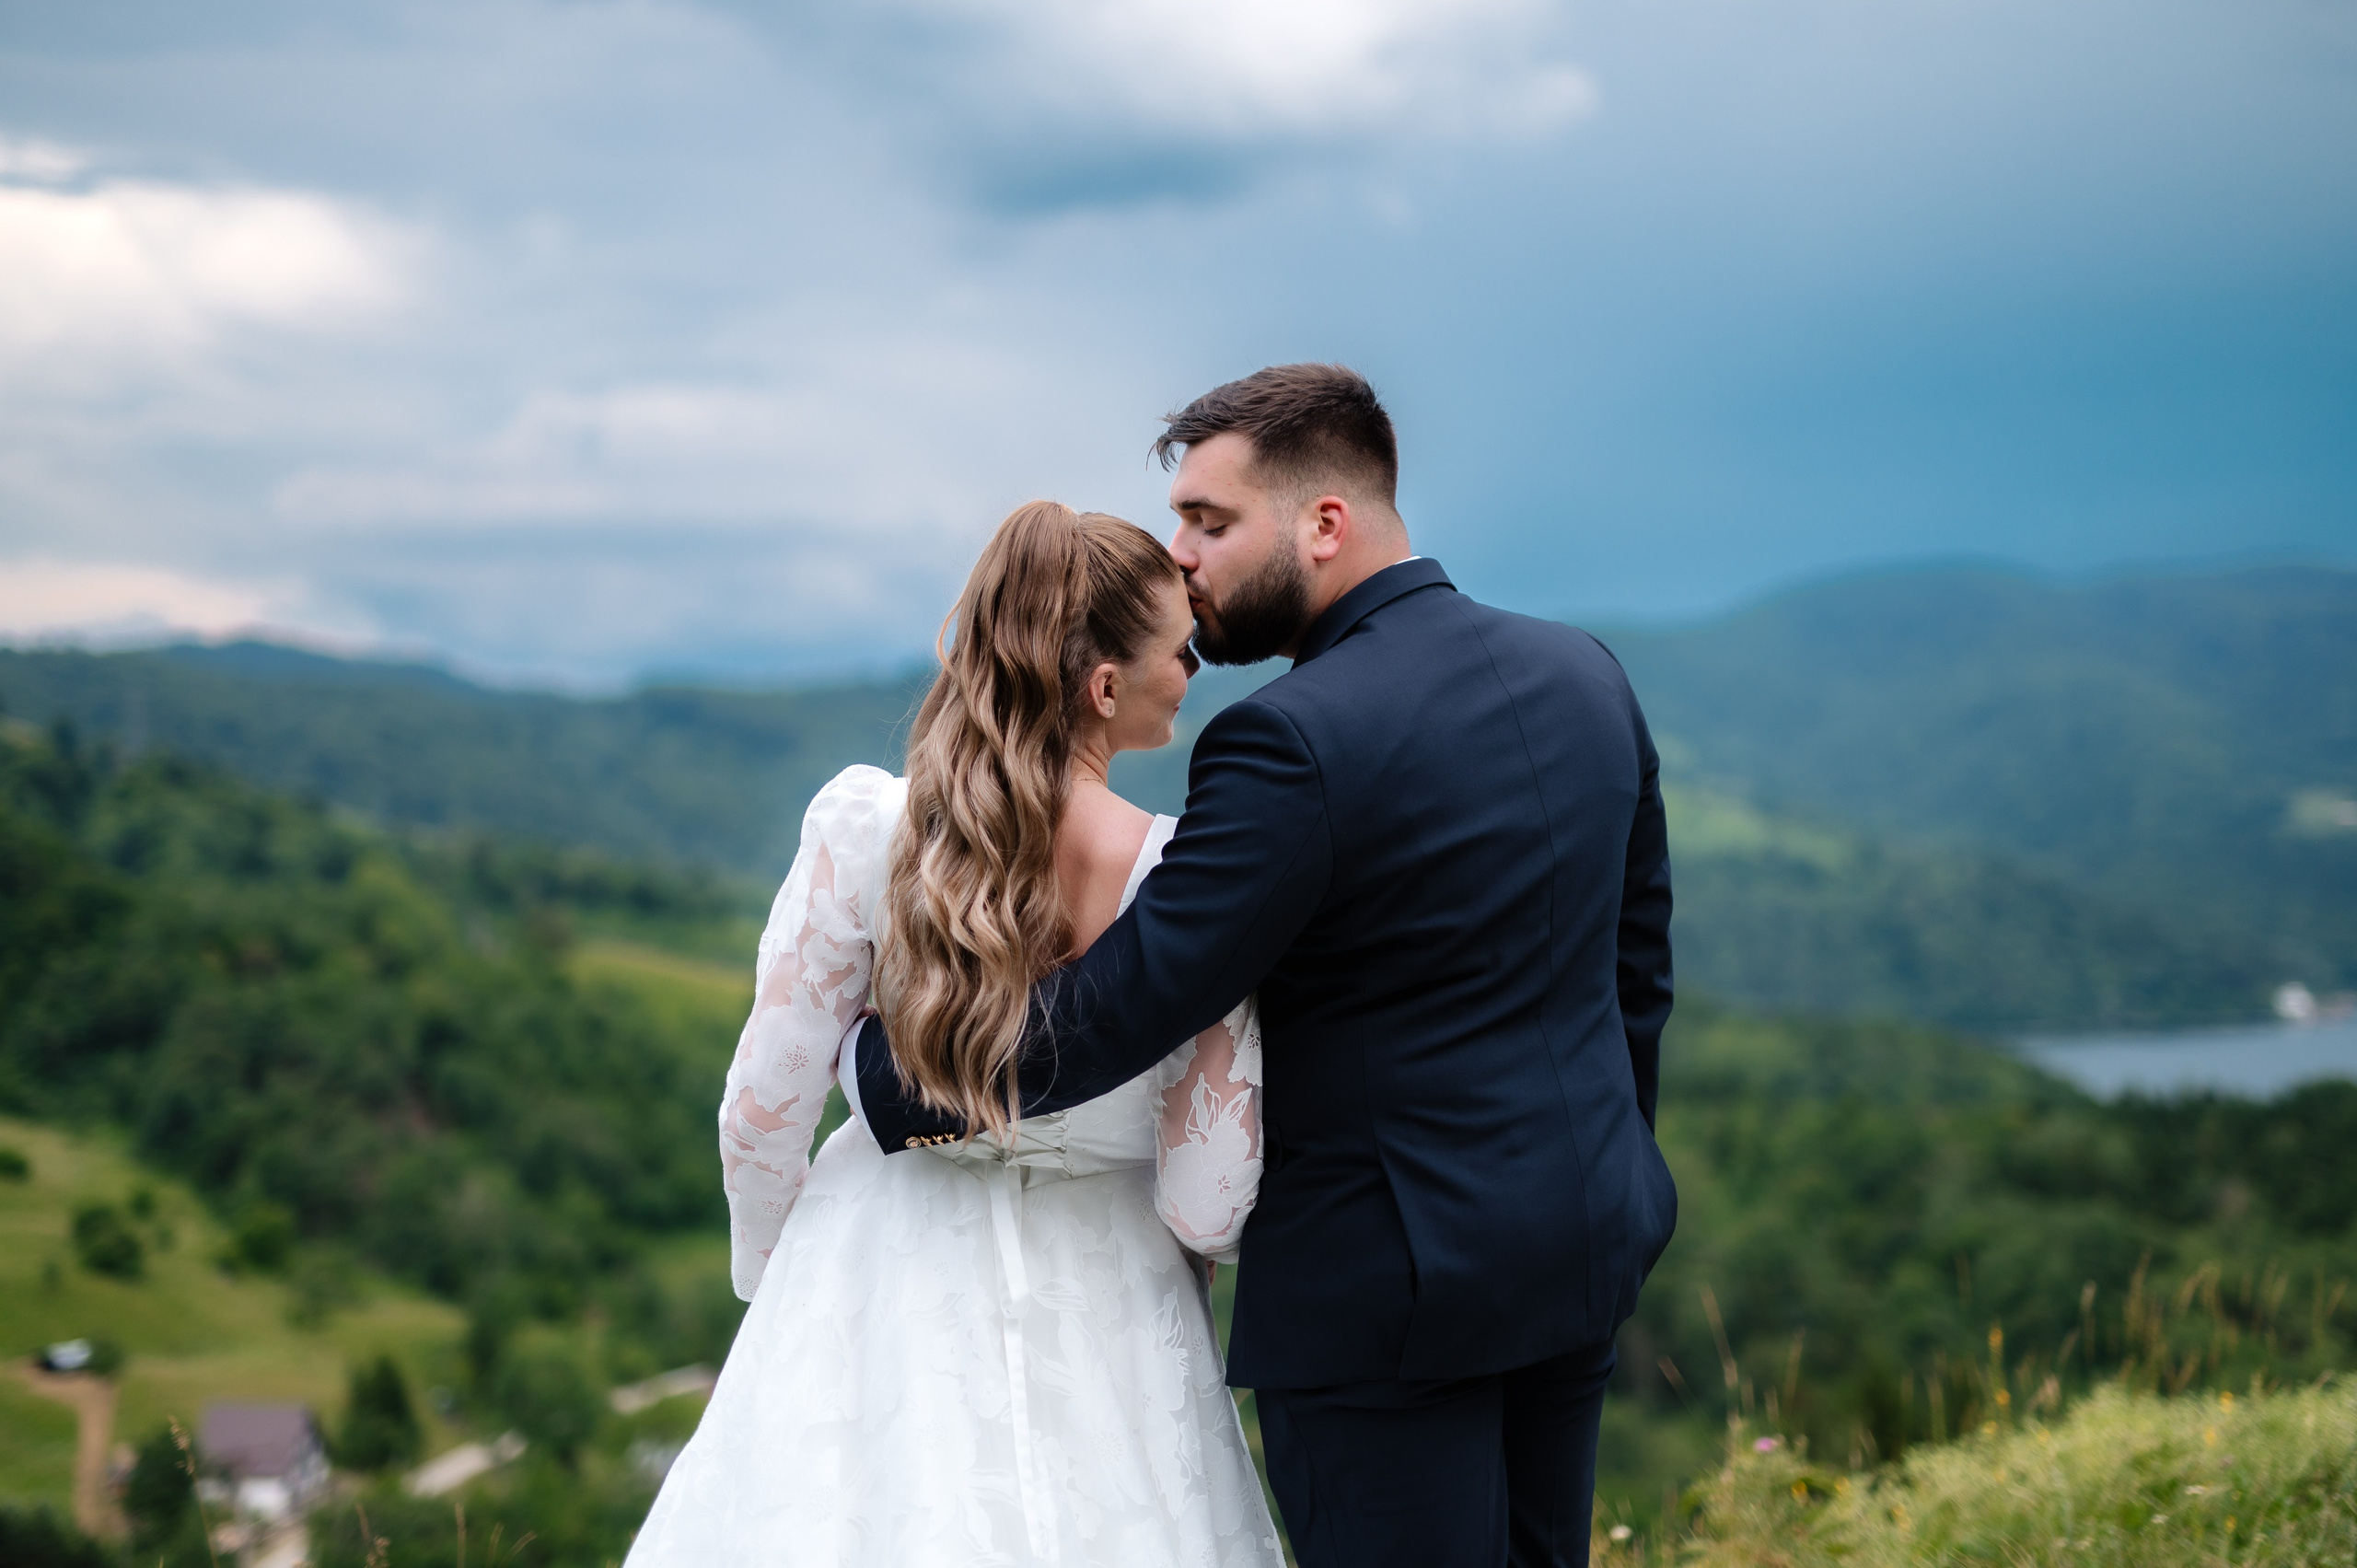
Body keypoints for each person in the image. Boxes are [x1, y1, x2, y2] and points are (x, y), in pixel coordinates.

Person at [853, 365, 1678, 1568]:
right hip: (1580, 1250)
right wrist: (1619, 1173)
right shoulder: (1585, 674)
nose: (1179, 556)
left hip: (1387, 1308)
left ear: (1324, 522)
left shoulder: (1292, 736)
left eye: (1210, 520)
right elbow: (1635, 975)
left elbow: (1134, 996)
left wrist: (892, 1081)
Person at [627, 503, 1284, 1567]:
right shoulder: (1185, 879)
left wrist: (781, 1280)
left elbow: (761, 1112)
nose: (1193, 671)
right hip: (1110, 1299)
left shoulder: (865, 829)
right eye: (1184, 651)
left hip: (872, 1277)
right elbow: (1208, 1199)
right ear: (1105, 687)